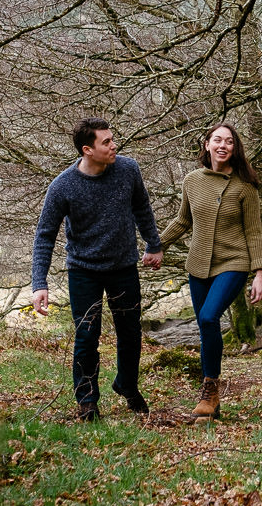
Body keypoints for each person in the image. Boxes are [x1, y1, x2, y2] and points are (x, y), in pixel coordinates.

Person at [31, 118, 164, 422]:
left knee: (130, 334)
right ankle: (87, 399)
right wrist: (39, 282)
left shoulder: (128, 169)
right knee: (87, 337)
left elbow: (142, 207)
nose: (114, 145)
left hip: (123, 266)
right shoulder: (63, 186)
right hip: (84, 270)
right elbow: (45, 235)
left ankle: (127, 385)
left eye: (113, 139)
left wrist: (153, 245)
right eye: (106, 142)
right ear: (87, 150)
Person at [159, 122, 262, 422]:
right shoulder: (192, 181)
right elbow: (183, 221)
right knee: (206, 328)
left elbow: (254, 233)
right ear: (206, 145)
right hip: (198, 264)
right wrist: (157, 245)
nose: (223, 145)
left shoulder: (245, 187)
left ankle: (210, 388)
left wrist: (259, 273)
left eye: (229, 141)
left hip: (234, 262)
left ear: (235, 149)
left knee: (208, 317)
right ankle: (212, 397)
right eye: (217, 140)